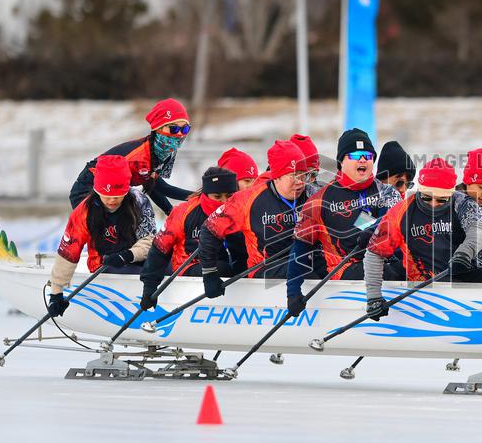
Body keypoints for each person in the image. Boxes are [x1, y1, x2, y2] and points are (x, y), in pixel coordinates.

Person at [362, 159, 482, 319]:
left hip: (462, 268)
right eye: (427, 197)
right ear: (420, 189)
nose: (433, 204)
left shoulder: (463, 203)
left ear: (451, 193)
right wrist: (373, 298)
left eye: (441, 200)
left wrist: (464, 253)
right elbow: (374, 253)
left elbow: (478, 230)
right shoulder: (400, 212)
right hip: (424, 280)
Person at [286, 129, 401, 316]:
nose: (363, 160)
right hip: (345, 272)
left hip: (384, 264)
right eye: (355, 155)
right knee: (389, 273)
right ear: (341, 161)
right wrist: (293, 292)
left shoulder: (387, 192)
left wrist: (373, 227)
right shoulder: (319, 201)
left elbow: (389, 219)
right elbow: (300, 249)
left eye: (368, 156)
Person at [46, 155, 156, 317]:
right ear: (97, 191)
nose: (112, 200)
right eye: (107, 195)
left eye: (118, 195)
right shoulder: (84, 212)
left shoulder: (139, 201)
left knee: (165, 267)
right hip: (104, 265)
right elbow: (69, 252)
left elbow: (150, 240)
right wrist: (56, 293)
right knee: (142, 274)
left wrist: (128, 255)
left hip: (137, 258)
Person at [197, 141, 310, 298]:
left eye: (303, 174)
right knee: (304, 266)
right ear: (277, 177)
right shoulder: (247, 200)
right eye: (293, 175)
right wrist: (209, 274)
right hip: (264, 272)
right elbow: (209, 229)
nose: (300, 181)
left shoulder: (313, 195)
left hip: (303, 265)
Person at [69, 98, 193, 214]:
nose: (179, 134)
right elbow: (162, 188)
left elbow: (152, 187)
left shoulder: (158, 152)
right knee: (138, 206)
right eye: (173, 129)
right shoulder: (140, 157)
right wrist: (197, 196)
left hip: (109, 195)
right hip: (87, 192)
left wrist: (171, 213)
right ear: (158, 128)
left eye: (185, 129)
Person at [138, 167, 238, 310]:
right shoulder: (184, 212)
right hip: (189, 266)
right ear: (206, 194)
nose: (224, 202)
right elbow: (160, 249)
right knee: (223, 268)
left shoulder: (239, 208)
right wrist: (149, 287)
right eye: (217, 197)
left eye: (229, 196)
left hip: (223, 266)